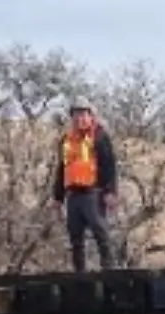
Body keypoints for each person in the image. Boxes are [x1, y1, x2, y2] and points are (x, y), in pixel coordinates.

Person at [50, 97, 118, 272]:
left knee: (100, 230)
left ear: (90, 116)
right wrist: (58, 197)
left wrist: (110, 191)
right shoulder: (66, 140)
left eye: (83, 114)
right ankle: (79, 274)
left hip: (93, 192)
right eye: (75, 115)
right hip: (73, 194)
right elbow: (62, 168)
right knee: (75, 236)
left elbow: (109, 165)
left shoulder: (100, 136)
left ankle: (109, 270)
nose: (79, 118)